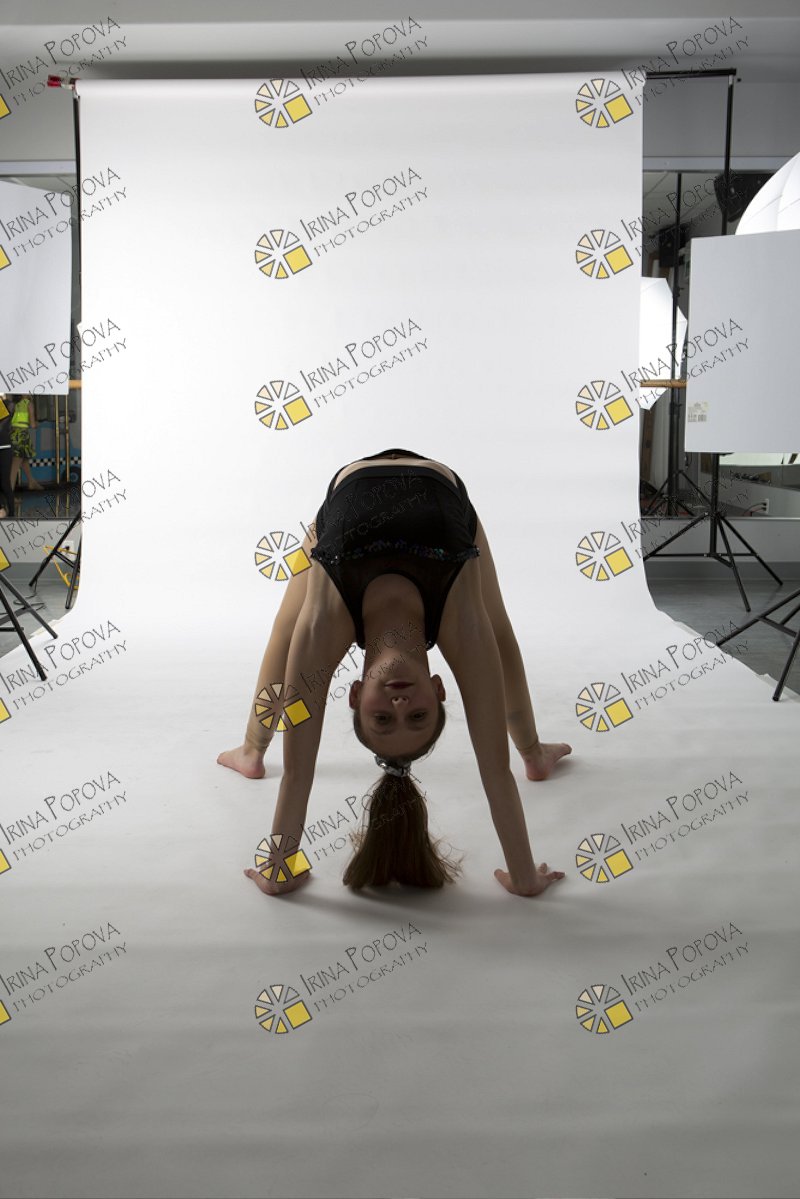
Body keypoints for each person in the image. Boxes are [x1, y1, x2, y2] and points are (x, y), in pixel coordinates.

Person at [218, 448, 571, 898]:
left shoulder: (327, 620)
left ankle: (252, 749)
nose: (400, 703)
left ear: (354, 695)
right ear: (439, 690)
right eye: (417, 716)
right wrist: (524, 878)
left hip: (350, 493)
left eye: (383, 718)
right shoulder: (458, 618)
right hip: (442, 491)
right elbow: (495, 770)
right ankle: (533, 753)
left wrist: (278, 869)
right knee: (497, 632)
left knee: (288, 631)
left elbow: (297, 773)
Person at [9, 395, 43, 493]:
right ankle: (10, 495)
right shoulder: (29, 404)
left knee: (24, 460)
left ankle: (31, 481)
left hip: (13, 434)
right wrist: (37, 423)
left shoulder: (13, 404)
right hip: (22, 435)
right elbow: (32, 425)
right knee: (15, 466)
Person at [0, 394, 14, 519]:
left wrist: (3, 399)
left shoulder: (7, 405)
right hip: (4, 446)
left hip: (4, 448)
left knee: (5, 483)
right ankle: (1, 509)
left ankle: (12, 514)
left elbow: (4, 423)